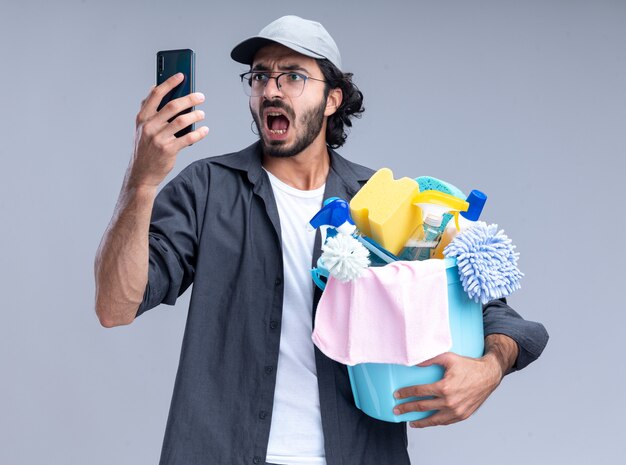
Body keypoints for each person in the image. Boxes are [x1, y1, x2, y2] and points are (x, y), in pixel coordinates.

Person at [94, 15, 548, 465]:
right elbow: (115, 306)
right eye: (259, 76)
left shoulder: (382, 201)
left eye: (292, 76)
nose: (271, 89)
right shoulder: (206, 189)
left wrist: (490, 368)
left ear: (333, 99)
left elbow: (490, 307)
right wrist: (142, 182)